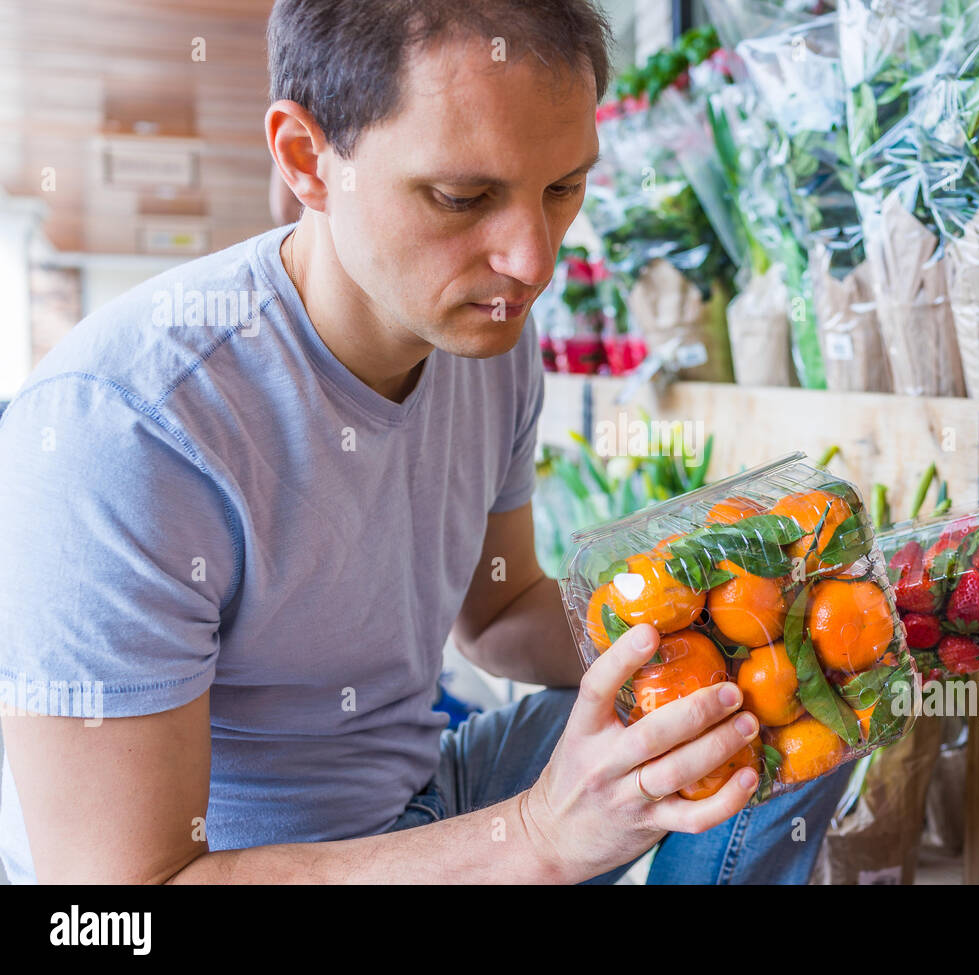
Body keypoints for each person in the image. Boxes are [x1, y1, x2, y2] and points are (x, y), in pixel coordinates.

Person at [0, 0, 852, 884]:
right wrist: (537, 838)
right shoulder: (127, 425)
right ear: (307, 159)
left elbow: (501, 610)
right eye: (463, 196)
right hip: (239, 863)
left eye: (563, 187)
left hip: (427, 797)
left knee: (773, 699)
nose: (533, 261)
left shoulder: (489, 343)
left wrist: (733, 621)